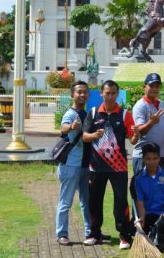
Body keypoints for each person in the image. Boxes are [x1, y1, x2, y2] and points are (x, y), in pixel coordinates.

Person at [82, 80, 139, 249]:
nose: (110, 96)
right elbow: (85, 136)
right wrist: (95, 136)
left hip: (118, 167)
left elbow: (133, 140)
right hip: (96, 166)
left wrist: (136, 134)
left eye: (114, 93)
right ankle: (94, 233)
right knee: (94, 200)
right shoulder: (92, 113)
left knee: (121, 201)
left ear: (117, 94)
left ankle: (124, 235)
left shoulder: (124, 114)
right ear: (101, 93)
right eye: (107, 93)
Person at [55, 81, 91, 246]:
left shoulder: (87, 113)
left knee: (86, 201)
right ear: (72, 95)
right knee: (66, 201)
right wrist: (71, 126)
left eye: (85, 92)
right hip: (71, 165)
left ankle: (90, 232)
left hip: (85, 165)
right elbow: (63, 128)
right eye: (79, 92)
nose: (82, 95)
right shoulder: (70, 114)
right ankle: (62, 233)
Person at [133, 143, 164, 252]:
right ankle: (156, 237)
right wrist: (142, 218)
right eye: (148, 159)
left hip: (161, 215)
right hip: (147, 215)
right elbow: (140, 201)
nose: (151, 162)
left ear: (159, 159)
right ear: (143, 159)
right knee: (133, 227)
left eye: (155, 158)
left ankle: (155, 236)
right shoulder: (138, 178)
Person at [131, 73, 164, 175]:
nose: (154, 89)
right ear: (144, 86)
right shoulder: (140, 106)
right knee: (144, 189)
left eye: (156, 86)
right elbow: (140, 132)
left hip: (161, 155)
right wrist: (151, 122)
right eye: (151, 86)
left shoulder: (160, 103)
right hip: (144, 157)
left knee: (161, 189)